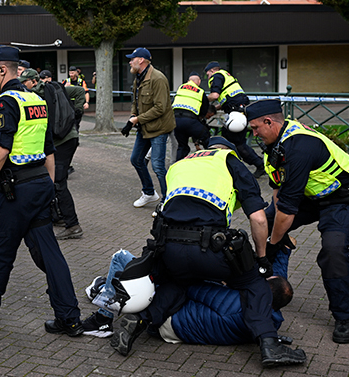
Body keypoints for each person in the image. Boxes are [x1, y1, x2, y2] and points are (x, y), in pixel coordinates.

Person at [109, 135, 306, 367]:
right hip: (209, 245)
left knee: (179, 282)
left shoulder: (180, 164)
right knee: (255, 285)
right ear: (229, 150)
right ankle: (270, 346)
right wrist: (261, 258)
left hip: (168, 244)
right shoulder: (230, 161)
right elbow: (259, 219)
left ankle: (137, 320)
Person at [0, 45, 83, 336]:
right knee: (50, 256)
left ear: (3, 70)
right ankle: (69, 317)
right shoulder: (35, 99)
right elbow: (48, 150)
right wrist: (49, 188)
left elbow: (0, 150)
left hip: (15, 191)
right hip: (38, 186)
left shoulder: (5, 102)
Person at [247, 99, 349, 345]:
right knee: (268, 222)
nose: (254, 134)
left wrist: (275, 239)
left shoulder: (299, 148)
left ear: (269, 122)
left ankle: (344, 316)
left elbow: (289, 210)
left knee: (333, 252)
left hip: (342, 199)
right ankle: (261, 282)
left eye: (256, 128)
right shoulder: (275, 143)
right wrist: (271, 235)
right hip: (311, 196)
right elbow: (278, 194)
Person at [83, 249, 293, 344]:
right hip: (181, 330)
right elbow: (278, 285)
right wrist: (284, 251)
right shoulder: (269, 322)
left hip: (169, 322)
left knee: (123, 259)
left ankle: (103, 316)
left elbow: (192, 287)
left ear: (263, 290)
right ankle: (105, 289)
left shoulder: (235, 302)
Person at [33, 70, 84, 240]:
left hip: (64, 141)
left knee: (59, 182)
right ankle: (60, 217)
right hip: (64, 140)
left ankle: (73, 226)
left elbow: (79, 91)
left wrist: (75, 112)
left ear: (32, 81)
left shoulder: (40, 92)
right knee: (54, 180)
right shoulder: (44, 90)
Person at [125, 47, 176, 208]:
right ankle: (149, 193)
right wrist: (133, 116)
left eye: (132, 59)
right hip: (145, 127)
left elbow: (160, 108)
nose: (130, 61)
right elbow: (136, 101)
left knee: (158, 166)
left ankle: (167, 200)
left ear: (141, 60)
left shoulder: (158, 78)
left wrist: (137, 119)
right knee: (136, 159)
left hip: (159, 128)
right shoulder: (138, 78)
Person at [205, 61, 265, 177]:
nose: (208, 78)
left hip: (236, 114)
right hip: (239, 111)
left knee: (236, 143)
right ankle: (231, 165)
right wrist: (216, 108)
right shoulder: (226, 76)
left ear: (212, 71)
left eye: (207, 75)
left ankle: (259, 164)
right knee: (227, 140)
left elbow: (215, 95)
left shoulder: (217, 76)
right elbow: (228, 99)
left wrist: (201, 100)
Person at [172, 72, 214, 160]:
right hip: (190, 120)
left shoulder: (180, 88)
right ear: (198, 82)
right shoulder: (200, 91)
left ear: (188, 81)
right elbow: (204, 109)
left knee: (182, 146)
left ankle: (178, 166)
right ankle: (213, 159)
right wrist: (200, 118)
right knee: (207, 137)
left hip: (176, 121)